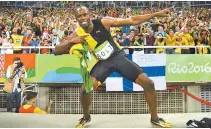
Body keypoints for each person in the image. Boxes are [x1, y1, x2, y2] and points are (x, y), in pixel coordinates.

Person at [54, 6, 173, 128]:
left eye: (85, 14)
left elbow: (132, 20)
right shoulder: (77, 33)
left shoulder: (103, 22)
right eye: (79, 16)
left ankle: (155, 118)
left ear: (90, 15)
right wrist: (71, 41)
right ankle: (86, 117)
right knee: (85, 90)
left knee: (149, 83)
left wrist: (156, 14)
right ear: (76, 19)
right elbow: (56, 51)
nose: (83, 18)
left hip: (117, 57)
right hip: (102, 63)